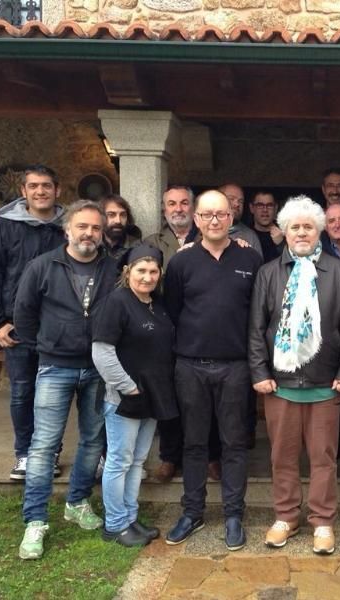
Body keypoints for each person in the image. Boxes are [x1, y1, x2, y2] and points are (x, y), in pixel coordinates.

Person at [248, 195, 340, 555]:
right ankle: (285, 517)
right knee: (282, 456)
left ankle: (323, 521)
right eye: (294, 227)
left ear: (319, 231)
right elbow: (256, 329)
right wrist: (259, 371)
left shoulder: (337, 271)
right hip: (279, 385)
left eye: (308, 227)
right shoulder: (269, 273)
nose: (301, 232)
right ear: (284, 231)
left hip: (325, 384)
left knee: (323, 458)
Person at [13, 200, 119, 560]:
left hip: (98, 369)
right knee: (44, 445)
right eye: (82, 227)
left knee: (92, 441)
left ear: (102, 233)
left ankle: (77, 502)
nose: (89, 233)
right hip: (55, 367)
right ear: (67, 230)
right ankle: (35, 520)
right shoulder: (43, 266)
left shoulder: (112, 269)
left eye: (95, 228)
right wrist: (48, 345)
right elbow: (24, 314)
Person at [164, 190, 262, 550]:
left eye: (221, 213)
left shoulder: (250, 259)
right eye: (207, 214)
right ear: (197, 219)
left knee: (234, 443)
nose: (215, 220)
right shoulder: (181, 263)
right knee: (194, 443)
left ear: (231, 217)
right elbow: (173, 310)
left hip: (236, 367)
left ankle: (234, 514)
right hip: (191, 366)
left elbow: (258, 314)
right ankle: (192, 512)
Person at [0, 164, 66, 481]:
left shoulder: (66, 228)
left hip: (57, 327)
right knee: (23, 393)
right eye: (34, 186)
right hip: (17, 327)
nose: (40, 191)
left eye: (46, 185)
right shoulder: (3, 228)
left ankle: (49, 453)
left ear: (57, 190)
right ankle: (25, 453)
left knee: (53, 396)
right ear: (23, 191)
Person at [92, 244, 178, 547]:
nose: (147, 277)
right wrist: (127, 387)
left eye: (153, 271)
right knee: (119, 460)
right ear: (128, 272)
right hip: (124, 398)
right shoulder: (116, 302)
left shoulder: (157, 304)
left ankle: (129, 517)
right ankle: (115, 524)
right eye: (141, 270)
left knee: (137, 460)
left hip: (152, 396)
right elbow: (102, 352)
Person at [142, 185, 198, 483]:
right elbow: (143, 282)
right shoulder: (151, 242)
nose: (178, 208)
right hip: (164, 329)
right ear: (164, 209)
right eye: (172, 203)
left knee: (201, 398)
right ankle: (169, 457)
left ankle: (208, 456)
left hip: (200, 328)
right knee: (168, 396)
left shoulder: (208, 237)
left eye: (184, 203)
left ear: (193, 208)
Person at [219, 183, 264, 256]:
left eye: (240, 201)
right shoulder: (205, 230)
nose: (237, 204)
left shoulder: (250, 236)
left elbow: (257, 262)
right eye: (231, 199)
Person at [101, 195, 142, 260]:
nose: (118, 221)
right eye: (111, 215)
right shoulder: (94, 244)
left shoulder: (138, 248)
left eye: (123, 215)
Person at [250, 190, 285, 262]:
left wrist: (281, 244)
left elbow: (294, 263)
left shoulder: (285, 233)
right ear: (252, 208)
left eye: (269, 205)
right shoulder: (246, 234)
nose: (265, 210)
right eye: (260, 205)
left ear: (276, 208)